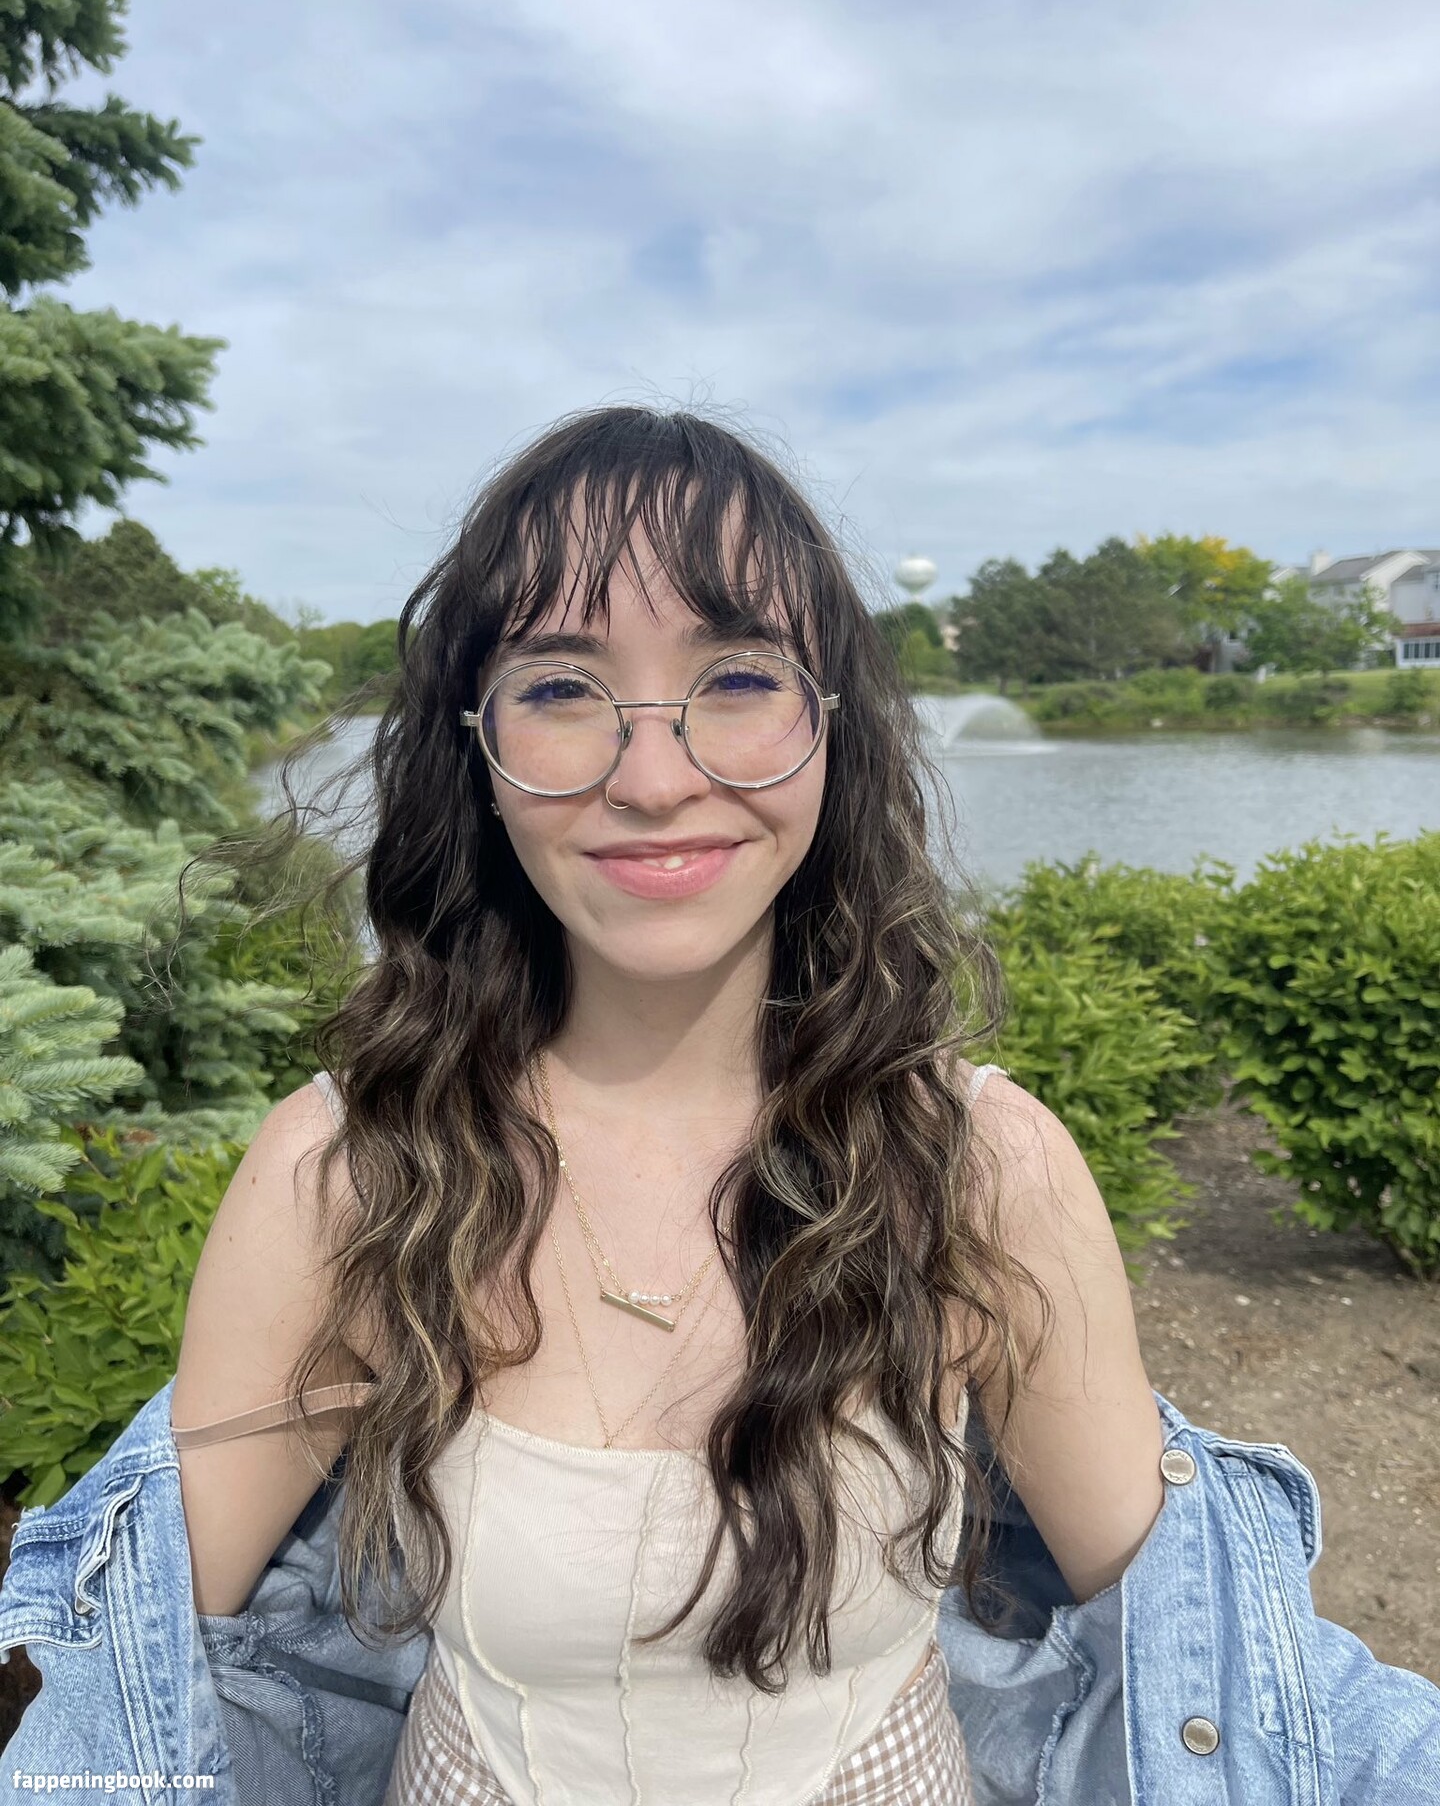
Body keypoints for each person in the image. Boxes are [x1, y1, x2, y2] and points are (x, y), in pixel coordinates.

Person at [160, 403, 1171, 1804]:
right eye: (562, 689)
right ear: (479, 751)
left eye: (739, 676)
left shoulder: (977, 1166)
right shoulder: (354, 1169)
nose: (654, 779)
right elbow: (142, 1668)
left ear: (832, 728)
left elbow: (1183, 1664)